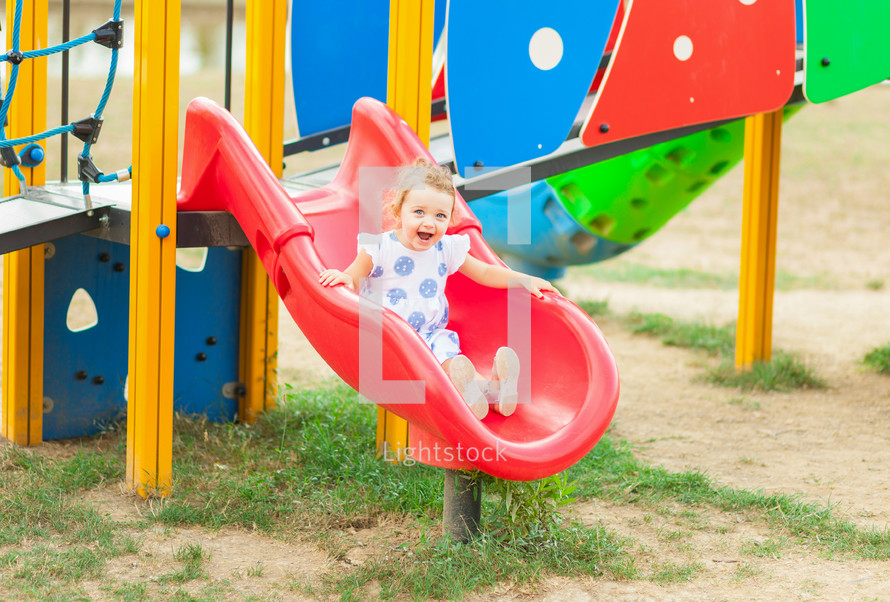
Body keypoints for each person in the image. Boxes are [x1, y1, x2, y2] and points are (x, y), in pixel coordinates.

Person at [318, 158, 558, 419]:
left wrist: (524, 280)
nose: (429, 223)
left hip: (431, 333)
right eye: (419, 212)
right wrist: (342, 279)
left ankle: (496, 393)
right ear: (398, 212)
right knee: (438, 371)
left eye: (440, 215)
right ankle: (481, 394)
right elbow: (354, 277)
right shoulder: (379, 247)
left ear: (450, 219)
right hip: (389, 337)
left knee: (454, 364)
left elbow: (485, 272)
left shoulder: (446, 249)